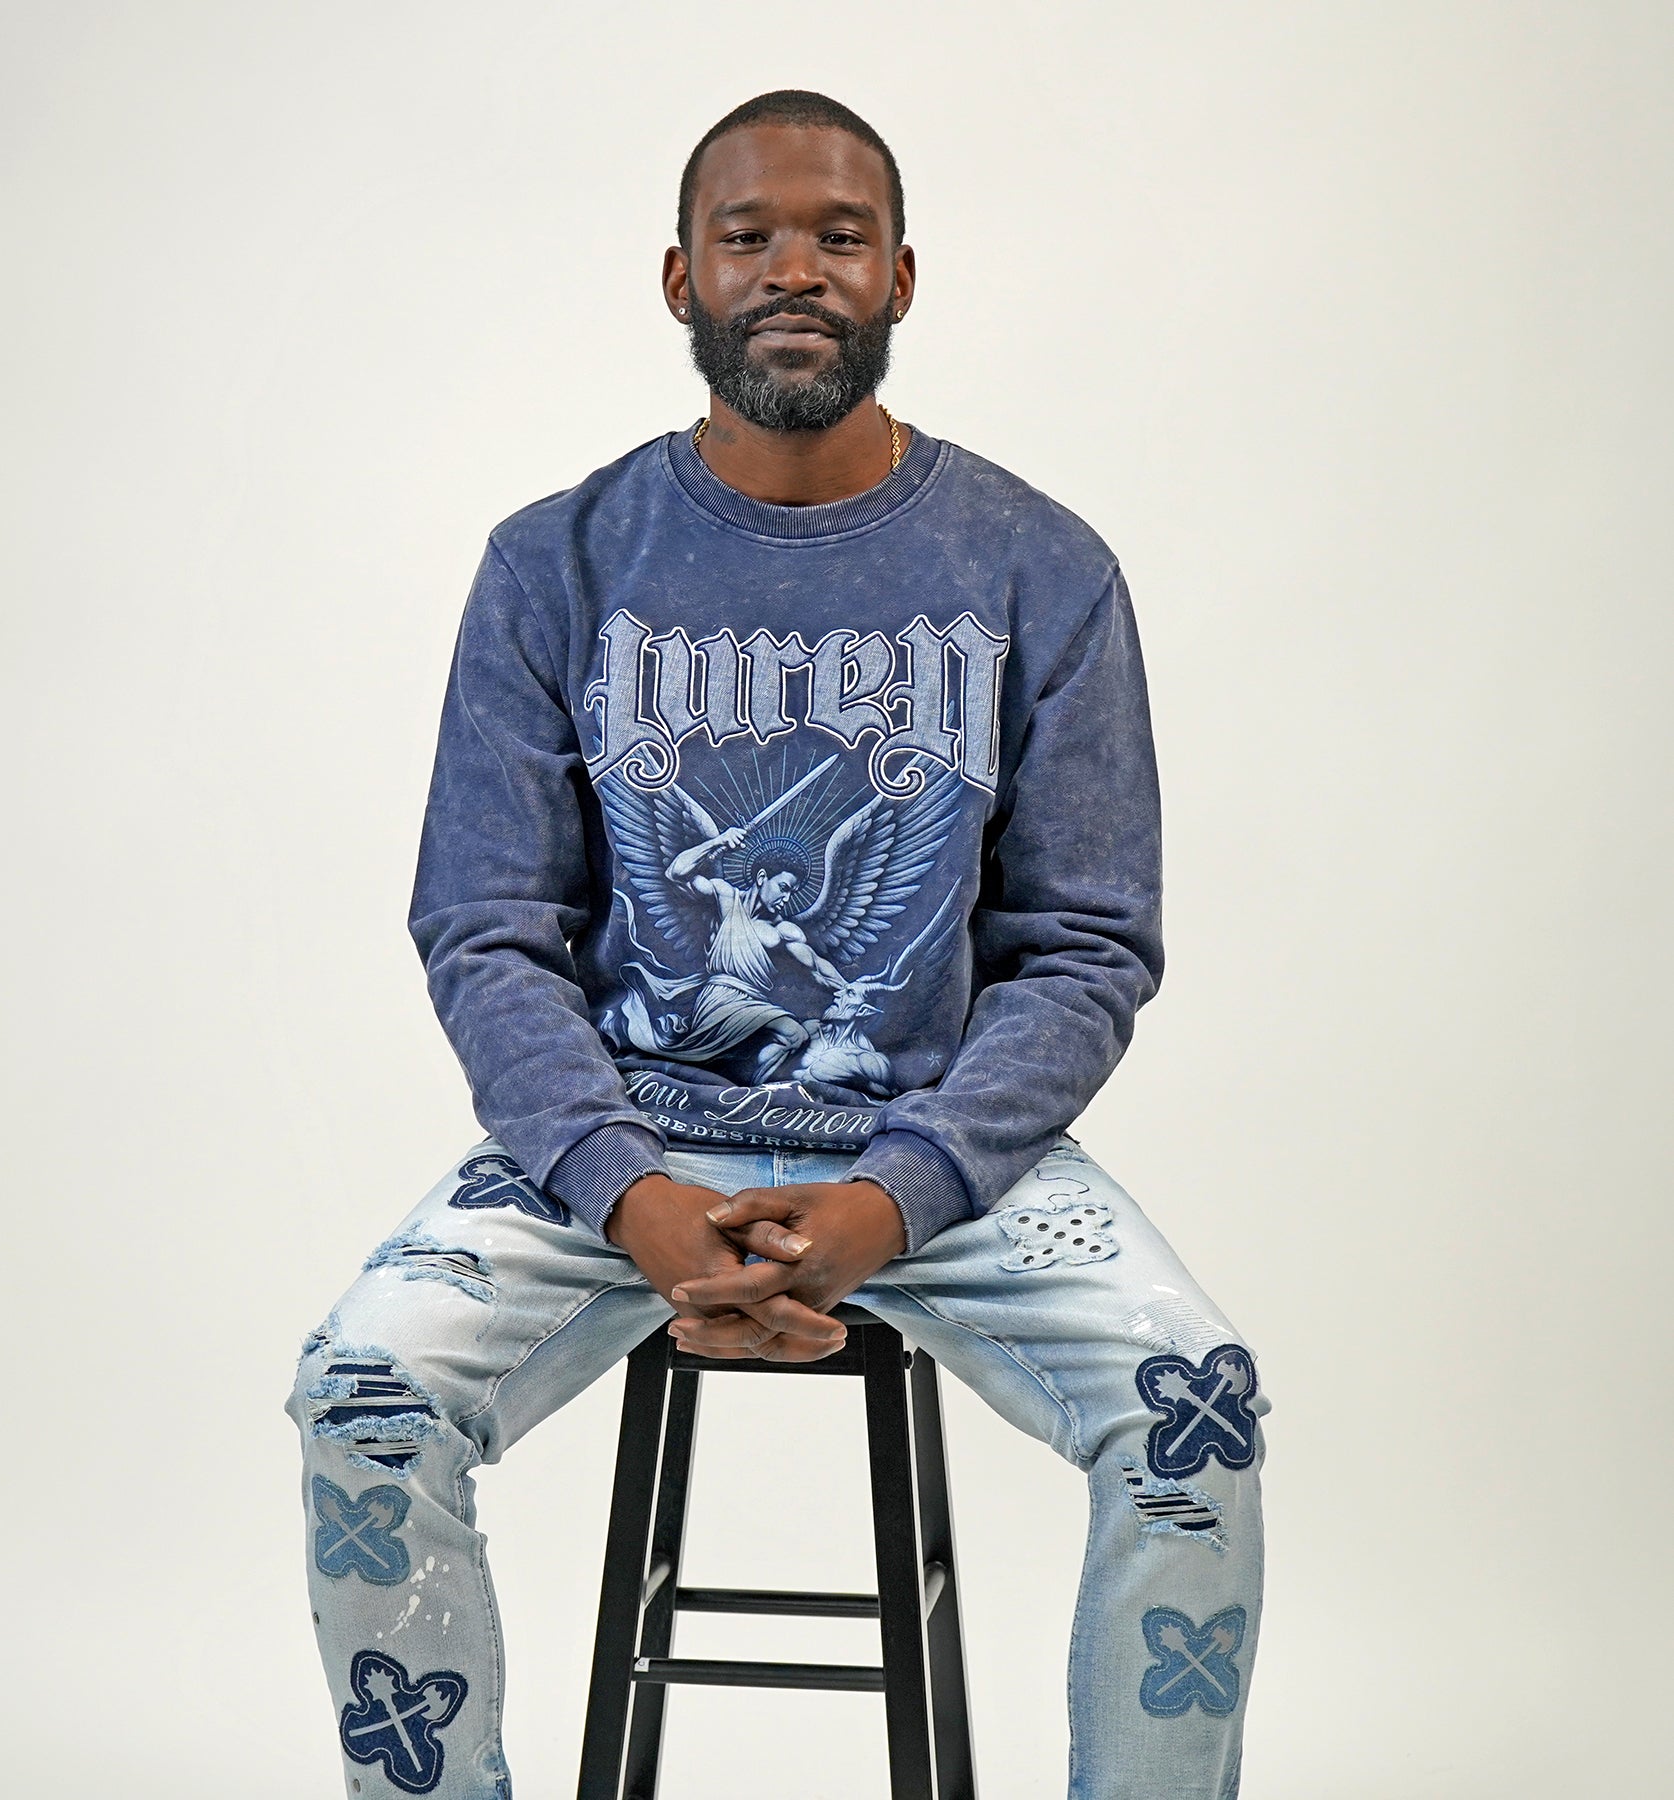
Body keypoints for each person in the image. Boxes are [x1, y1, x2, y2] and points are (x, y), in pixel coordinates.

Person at [288, 88, 1266, 1800]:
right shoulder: (555, 563)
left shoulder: (1038, 568)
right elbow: (486, 928)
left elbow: (1086, 947)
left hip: (937, 1145)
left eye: (838, 236)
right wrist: (632, 1195)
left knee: (1196, 1409)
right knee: (361, 1393)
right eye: (747, 238)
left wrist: (899, 1193)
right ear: (682, 279)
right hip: (619, 1145)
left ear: (901, 277)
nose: (793, 270)